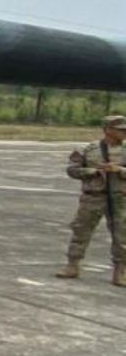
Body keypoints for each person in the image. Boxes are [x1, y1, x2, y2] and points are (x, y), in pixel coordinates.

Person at [55, 113, 126, 286]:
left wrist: (119, 170)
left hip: (120, 198)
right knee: (81, 230)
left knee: (122, 236)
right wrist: (92, 171)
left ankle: (120, 271)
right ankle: (73, 265)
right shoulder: (88, 149)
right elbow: (72, 170)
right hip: (93, 197)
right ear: (107, 130)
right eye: (120, 130)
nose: (124, 133)